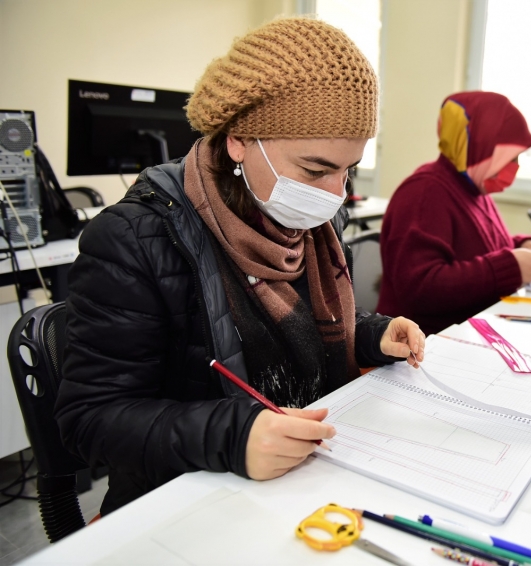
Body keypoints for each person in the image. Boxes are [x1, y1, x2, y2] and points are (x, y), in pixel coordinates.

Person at [55, 18, 425, 515]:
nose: (335, 193)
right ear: (238, 140)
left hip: (306, 477)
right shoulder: (134, 241)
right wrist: (233, 436)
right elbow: (91, 419)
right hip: (187, 498)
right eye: (315, 169)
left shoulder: (306, 225)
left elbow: (299, 333)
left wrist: (371, 335)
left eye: (348, 170)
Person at [376, 92, 531, 335]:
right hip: (421, 348)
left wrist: (522, 246)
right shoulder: (424, 193)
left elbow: (479, 249)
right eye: (509, 158)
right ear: (479, 146)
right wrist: (511, 267)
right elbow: (421, 290)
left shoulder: (474, 188)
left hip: (465, 334)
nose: (515, 167)